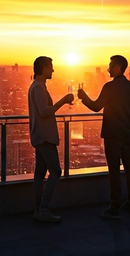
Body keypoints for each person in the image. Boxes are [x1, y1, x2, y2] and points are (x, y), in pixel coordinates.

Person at [78, 54, 130, 219]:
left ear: (118, 67)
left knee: (114, 170)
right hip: (127, 133)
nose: (108, 69)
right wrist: (128, 128)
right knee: (129, 167)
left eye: (111, 66)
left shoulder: (109, 87)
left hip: (112, 134)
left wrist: (83, 98)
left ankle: (115, 207)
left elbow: (97, 106)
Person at [28, 56, 74, 223]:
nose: (53, 70)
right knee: (55, 171)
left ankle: (38, 209)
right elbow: (44, 111)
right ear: (44, 68)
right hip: (44, 136)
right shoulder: (38, 88)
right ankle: (43, 209)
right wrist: (64, 100)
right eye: (51, 67)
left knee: (40, 173)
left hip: (40, 135)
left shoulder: (36, 86)